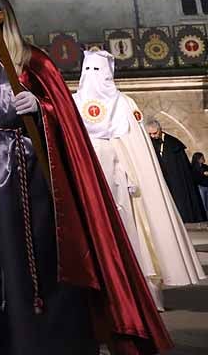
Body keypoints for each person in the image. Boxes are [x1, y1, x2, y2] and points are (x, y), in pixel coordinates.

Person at [0, 0, 170, 355]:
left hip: (24, 171)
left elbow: (64, 122)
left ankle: (40, 340)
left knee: (28, 256)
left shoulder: (34, 63)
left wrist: (42, 107)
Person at [74, 50, 204, 304]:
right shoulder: (74, 101)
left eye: (98, 71)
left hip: (124, 184)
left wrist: (130, 172)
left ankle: (140, 295)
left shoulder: (125, 103)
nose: (92, 77)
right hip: (86, 179)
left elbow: (137, 148)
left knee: (133, 234)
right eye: (88, 70)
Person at [146, 120, 207, 224]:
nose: (152, 136)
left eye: (154, 133)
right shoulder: (149, 143)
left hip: (175, 180)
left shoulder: (173, 143)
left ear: (160, 130)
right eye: (150, 134)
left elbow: (184, 168)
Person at [194, 152, 208, 217]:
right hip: (201, 187)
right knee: (204, 203)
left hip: (206, 186)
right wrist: (203, 174)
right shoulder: (194, 168)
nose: (203, 159)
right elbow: (196, 179)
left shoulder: (204, 166)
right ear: (198, 159)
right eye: (202, 158)